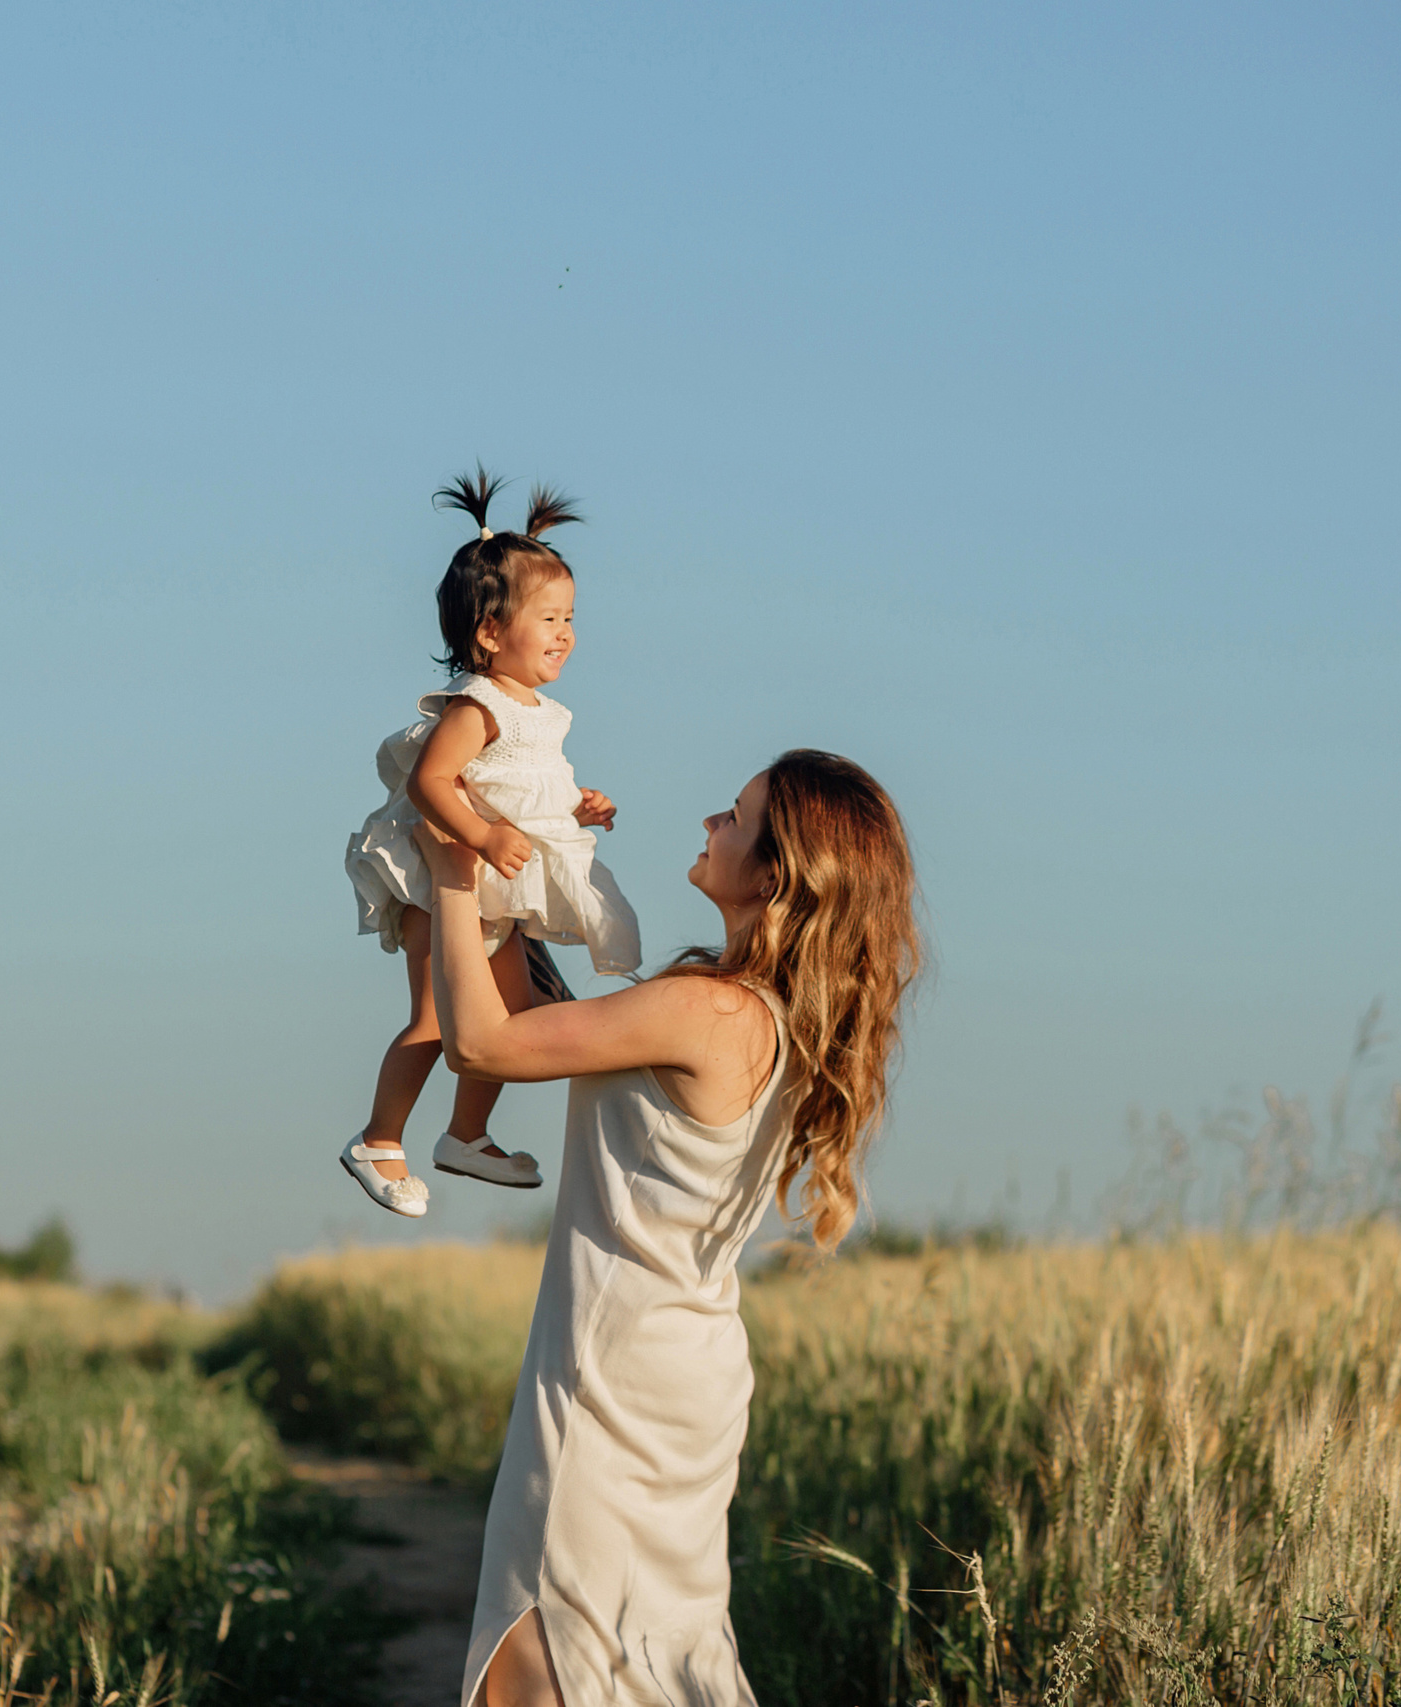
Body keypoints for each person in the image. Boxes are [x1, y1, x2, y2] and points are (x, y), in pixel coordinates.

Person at [418, 750, 921, 1707]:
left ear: (777, 872)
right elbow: (560, 1030)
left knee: (545, 1658)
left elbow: (481, 1043)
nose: (708, 824)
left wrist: (450, 867)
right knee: (653, 1652)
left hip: (611, 1374)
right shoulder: (768, 1021)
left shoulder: (704, 1011)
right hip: (686, 1371)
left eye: (734, 817)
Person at [339, 468, 642, 1218]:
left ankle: (466, 1135)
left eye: (571, 616)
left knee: (507, 1021)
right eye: (549, 618)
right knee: (441, 1022)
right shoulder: (475, 705)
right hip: (438, 882)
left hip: (491, 892)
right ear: (488, 632)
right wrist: (476, 833)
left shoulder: (537, 709)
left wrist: (579, 802)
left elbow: (527, 787)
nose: (567, 632)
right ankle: (378, 1139)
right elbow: (431, 783)